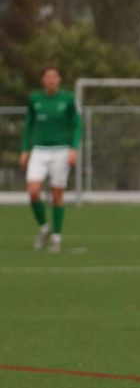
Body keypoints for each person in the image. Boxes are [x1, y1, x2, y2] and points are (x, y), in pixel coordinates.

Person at [20, 65, 80, 252]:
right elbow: (28, 124)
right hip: (39, 150)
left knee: (57, 195)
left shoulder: (68, 99)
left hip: (61, 151)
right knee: (33, 191)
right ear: (43, 80)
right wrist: (24, 149)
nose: (51, 80)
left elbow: (77, 124)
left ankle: (56, 237)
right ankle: (44, 228)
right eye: (48, 77)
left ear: (59, 79)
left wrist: (74, 148)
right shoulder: (35, 99)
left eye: (54, 76)